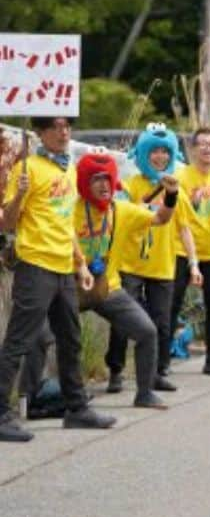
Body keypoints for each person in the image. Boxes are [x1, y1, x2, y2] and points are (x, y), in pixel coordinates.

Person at [0, 117, 115, 442]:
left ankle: (76, 409)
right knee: (18, 340)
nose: (64, 132)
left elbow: (65, 223)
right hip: (35, 264)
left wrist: (79, 263)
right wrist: (19, 195)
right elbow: (7, 223)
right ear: (40, 133)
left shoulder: (66, 168)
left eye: (68, 127)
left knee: (70, 339)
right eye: (56, 127)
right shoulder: (28, 169)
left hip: (64, 266)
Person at [74, 151, 177, 410]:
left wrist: (172, 195)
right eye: (96, 179)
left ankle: (144, 393)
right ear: (84, 183)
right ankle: (35, 397)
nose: (103, 185)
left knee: (147, 331)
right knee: (44, 337)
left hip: (108, 286)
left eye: (108, 179)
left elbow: (160, 218)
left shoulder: (123, 210)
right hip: (70, 285)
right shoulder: (70, 209)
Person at [105, 124, 203, 394]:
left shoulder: (176, 190)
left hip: (162, 264)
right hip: (130, 263)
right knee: (124, 319)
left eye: (164, 152)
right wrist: (149, 198)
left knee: (162, 321)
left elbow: (184, 228)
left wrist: (194, 263)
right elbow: (121, 215)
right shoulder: (131, 185)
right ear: (144, 153)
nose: (159, 157)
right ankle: (115, 370)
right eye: (154, 152)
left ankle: (158, 371)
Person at [171, 127, 210, 377]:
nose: (208, 149)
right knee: (172, 304)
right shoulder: (181, 176)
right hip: (179, 250)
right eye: (203, 144)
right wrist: (195, 200)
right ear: (193, 148)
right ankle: (161, 362)